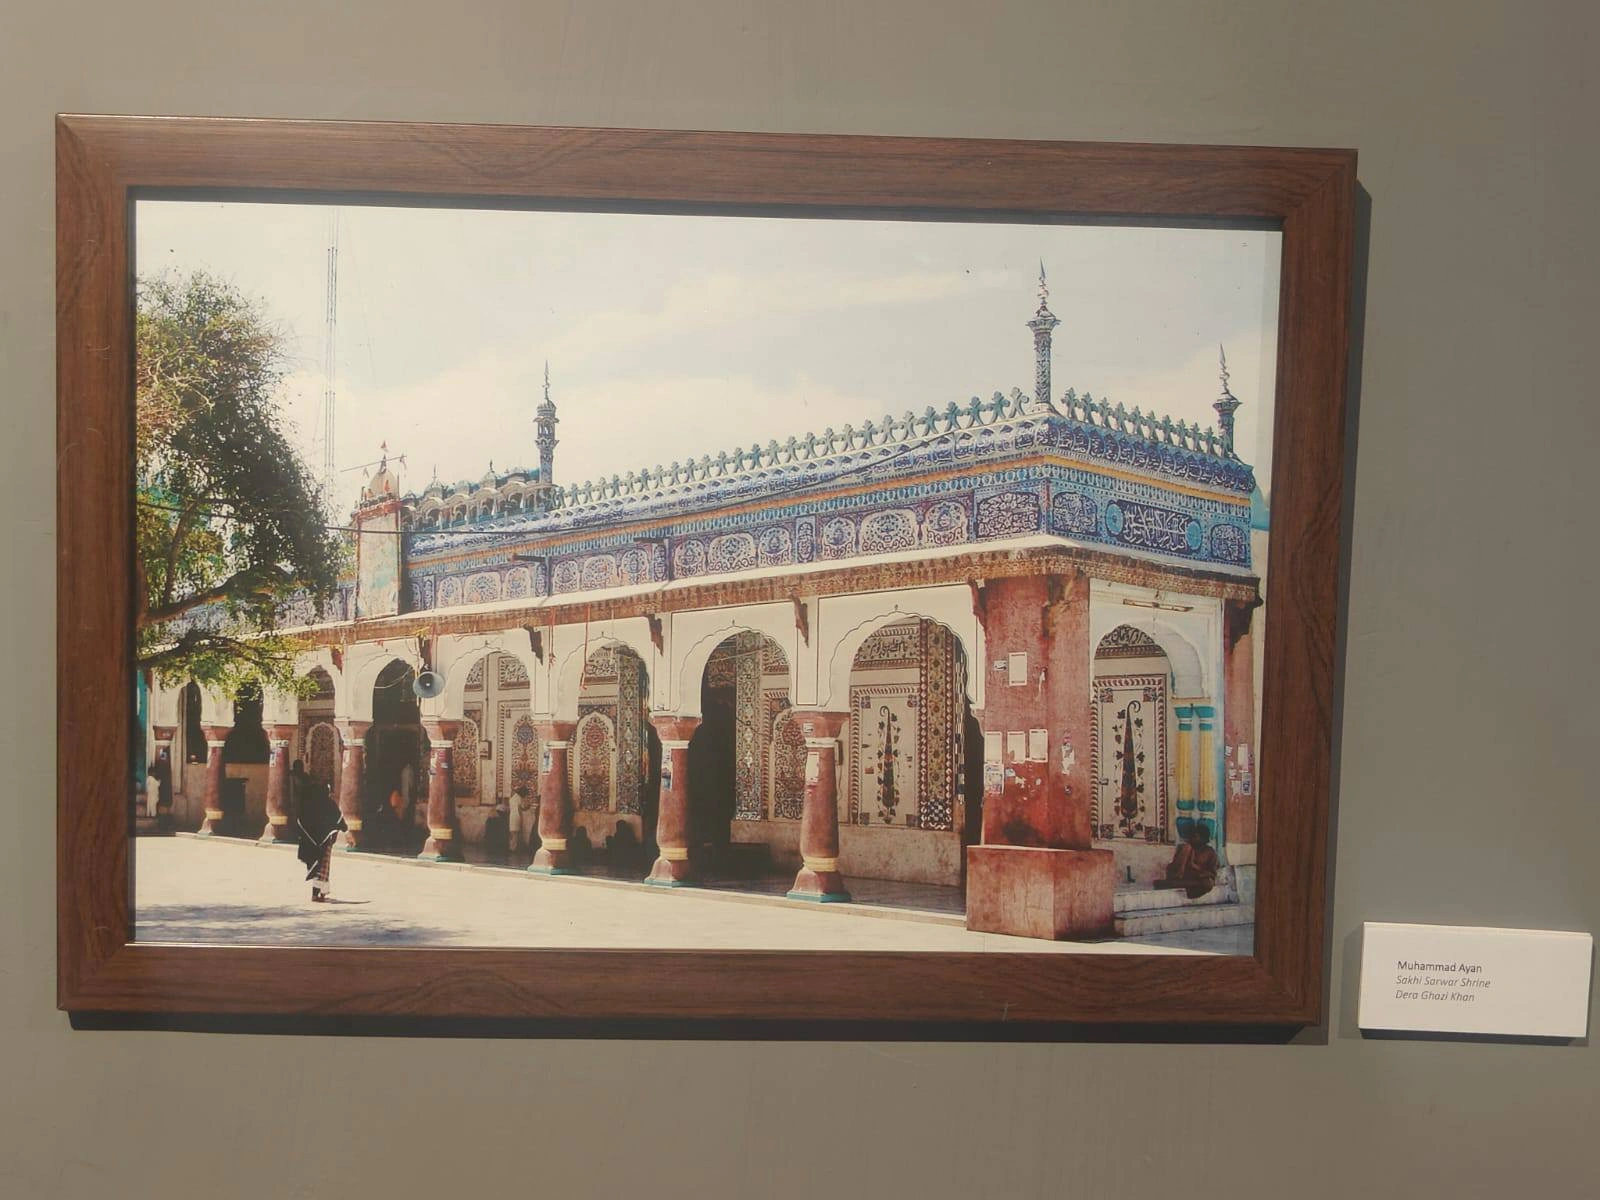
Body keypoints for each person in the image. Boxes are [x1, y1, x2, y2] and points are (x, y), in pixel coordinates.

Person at [292, 759, 344, 903]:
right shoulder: (328, 803)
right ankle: (319, 893)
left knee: (317, 866)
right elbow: (339, 818)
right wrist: (344, 829)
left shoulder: (311, 805)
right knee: (323, 867)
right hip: (325, 842)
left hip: (313, 843)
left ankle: (317, 893)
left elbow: (301, 820)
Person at [1156, 821, 1220, 899]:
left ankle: (1179, 885)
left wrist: (1197, 869)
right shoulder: (1185, 848)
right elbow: (1175, 869)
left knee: (1208, 883)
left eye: (1195, 836)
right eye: (1192, 836)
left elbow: (1212, 872)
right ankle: (1176, 884)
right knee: (1186, 848)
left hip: (1198, 878)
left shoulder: (1210, 852)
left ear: (1203, 838)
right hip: (1183, 877)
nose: (1192, 839)